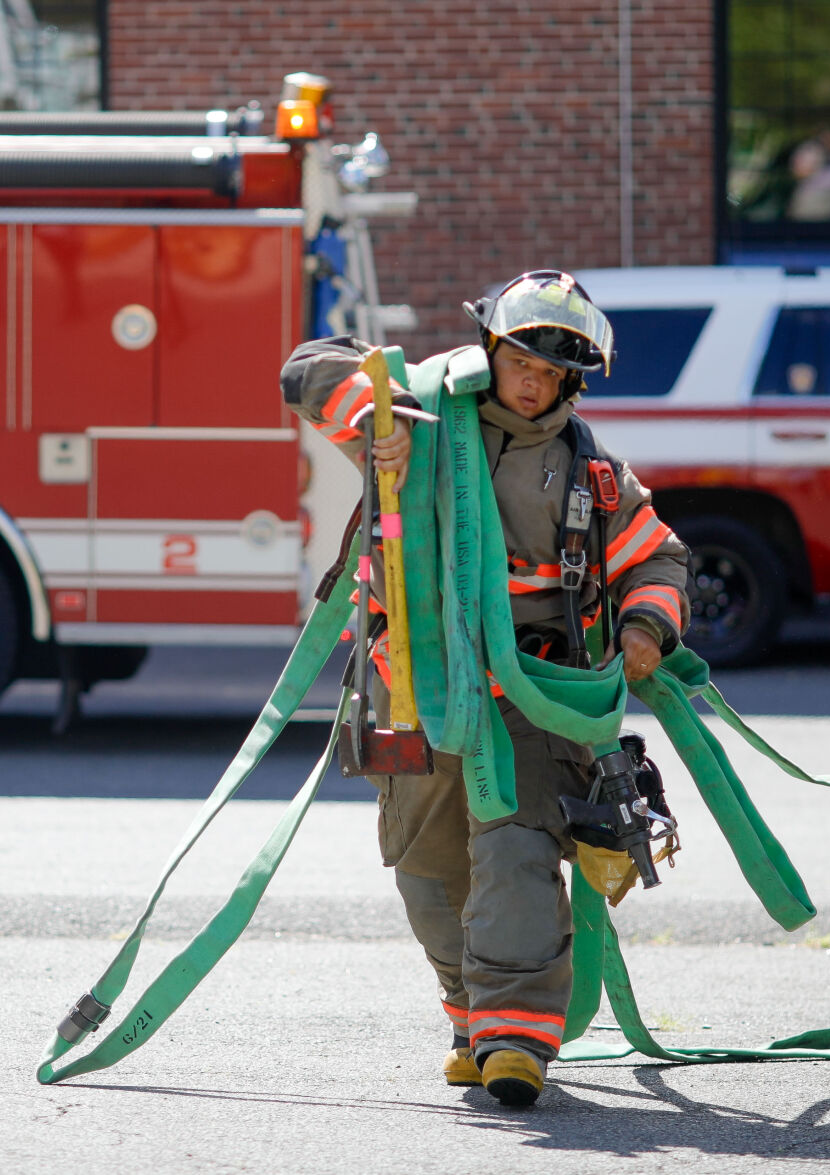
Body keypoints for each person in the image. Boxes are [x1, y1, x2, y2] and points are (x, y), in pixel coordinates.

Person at [281, 271, 690, 1106]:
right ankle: (471, 1017)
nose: (531, 382)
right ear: (489, 348)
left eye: (550, 371)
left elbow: (657, 558)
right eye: (519, 362)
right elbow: (305, 366)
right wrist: (382, 421)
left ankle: (515, 1037)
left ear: (573, 381)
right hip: (415, 686)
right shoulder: (419, 416)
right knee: (425, 867)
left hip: (535, 696)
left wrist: (647, 627)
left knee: (515, 848)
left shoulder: (593, 474)